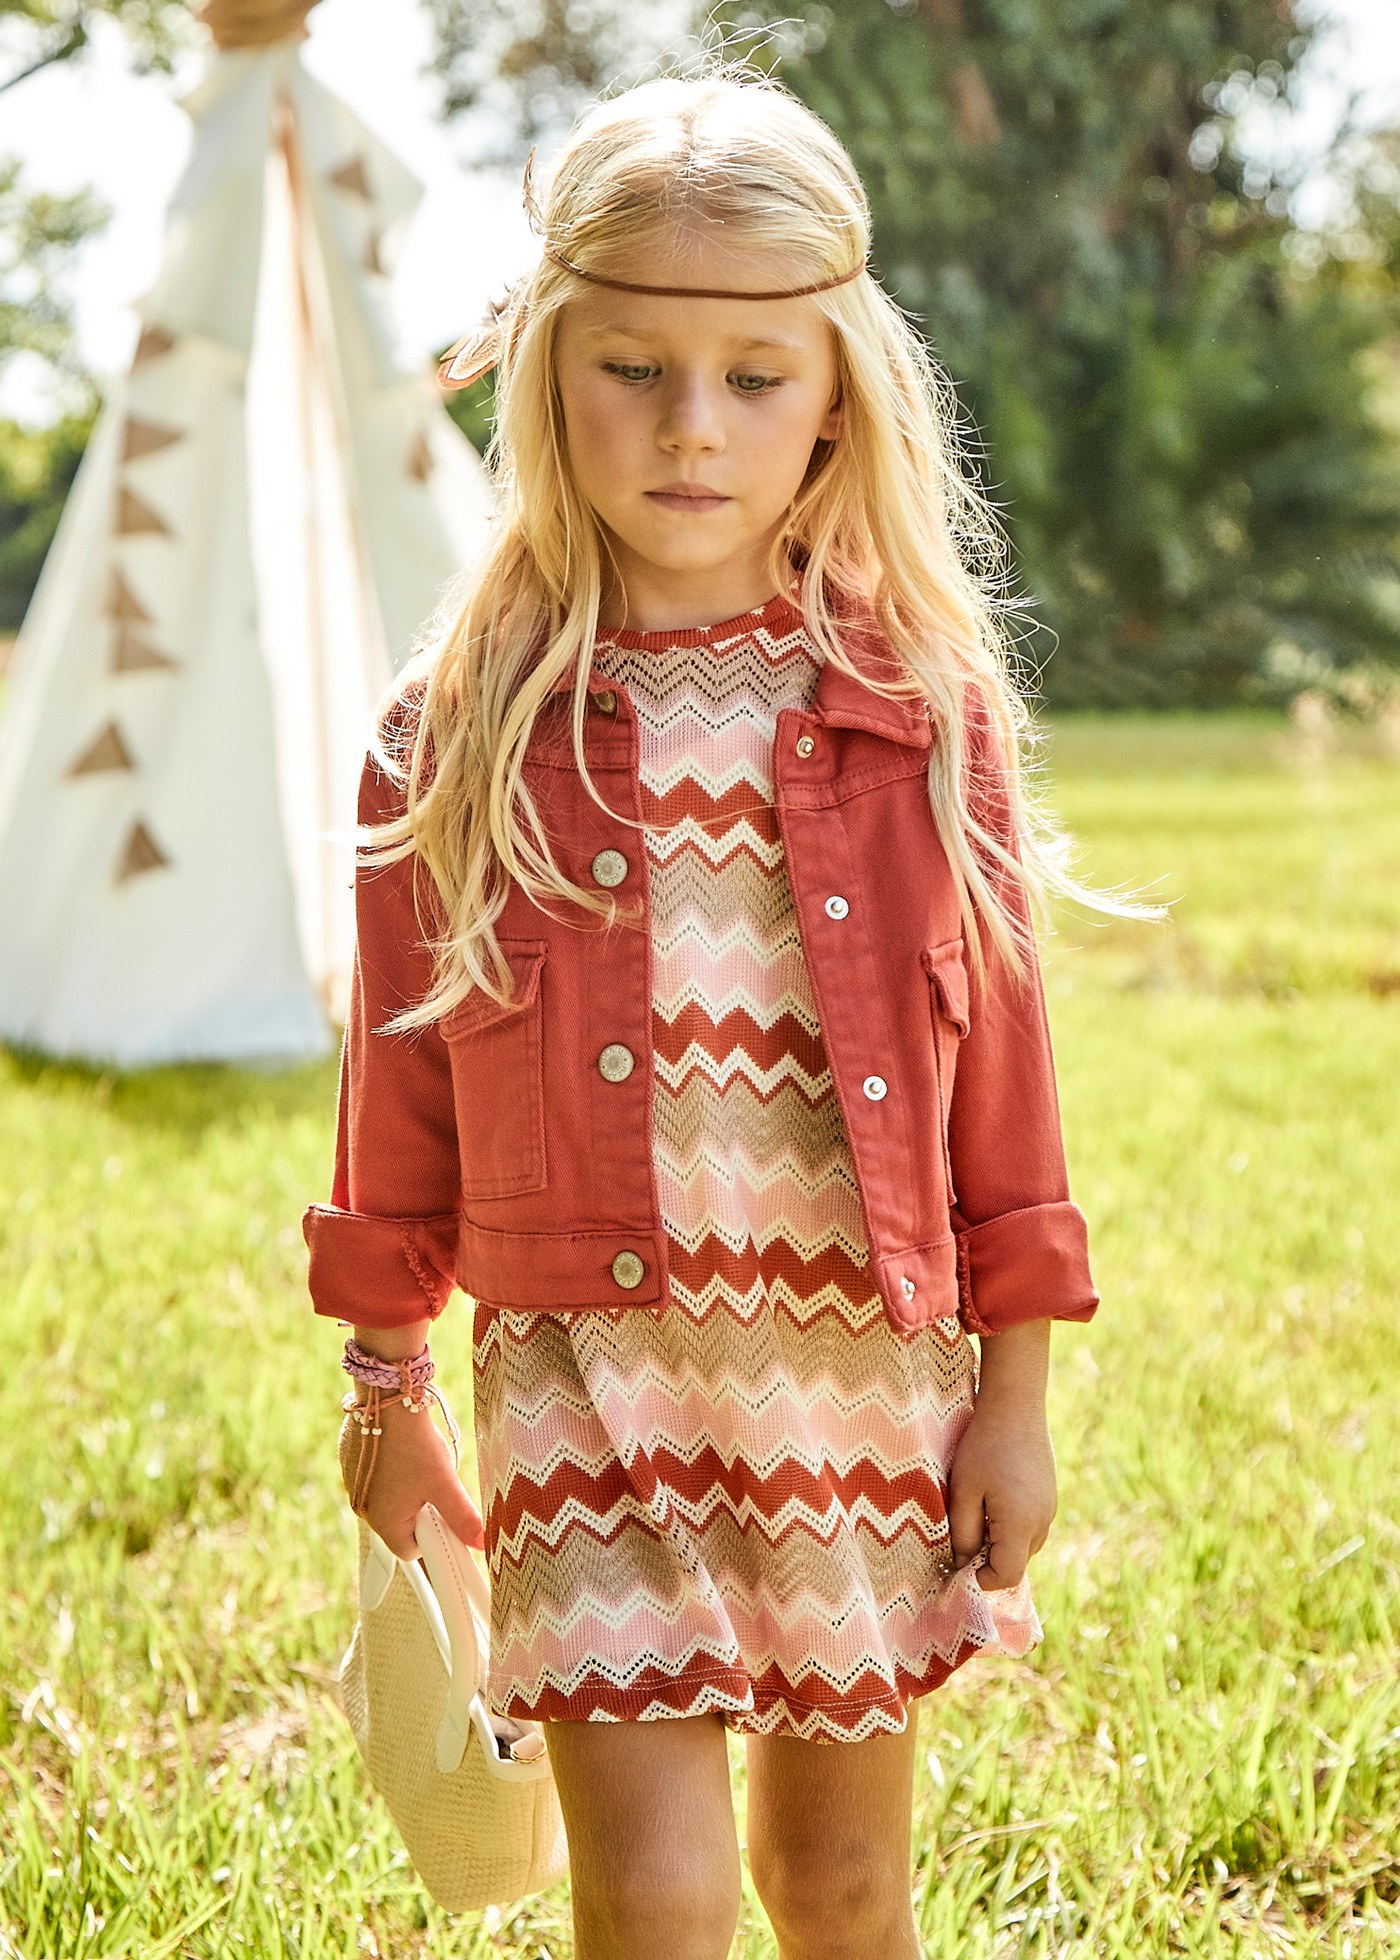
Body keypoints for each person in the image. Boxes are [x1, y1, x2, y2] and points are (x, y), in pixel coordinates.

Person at [304, 65, 1109, 1960]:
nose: (690, 428)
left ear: (839, 392)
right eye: (633, 368)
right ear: (547, 373)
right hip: (585, 1376)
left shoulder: (919, 713)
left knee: (838, 1886)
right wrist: (383, 1375)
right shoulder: (456, 731)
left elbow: (1005, 1086)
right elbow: (395, 1084)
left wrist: (1017, 1398)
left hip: (860, 1373)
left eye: (754, 374)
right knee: (652, 1892)